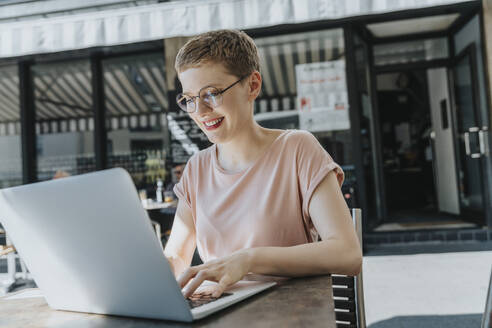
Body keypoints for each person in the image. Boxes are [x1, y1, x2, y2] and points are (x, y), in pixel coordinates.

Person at [163, 29, 362, 299]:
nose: (199, 111)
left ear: (253, 85)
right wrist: (157, 270)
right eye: (189, 99)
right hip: (216, 310)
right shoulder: (196, 168)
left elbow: (347, 253)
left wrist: (248, 260)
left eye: (211, 94)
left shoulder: (297, 149)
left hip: (288, 312)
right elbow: (177, 254)